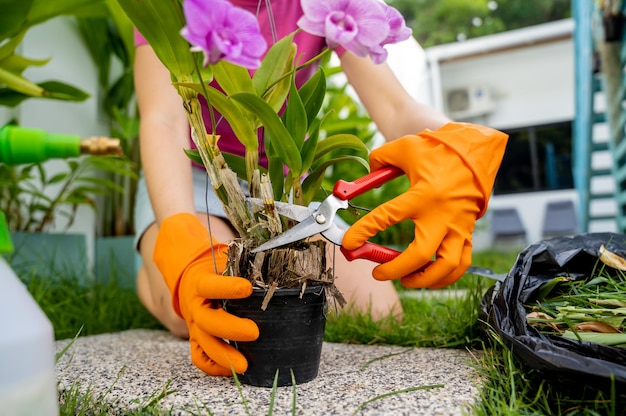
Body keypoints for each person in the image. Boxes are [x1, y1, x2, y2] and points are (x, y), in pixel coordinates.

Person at [133, 0, 508, 376]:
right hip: (197, 176)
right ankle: (151, 271)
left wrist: (459, 145)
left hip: (284, 188)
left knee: (379, 315)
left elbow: (397, 110)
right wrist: (179, 234)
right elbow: (162, 121)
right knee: (198, 306)